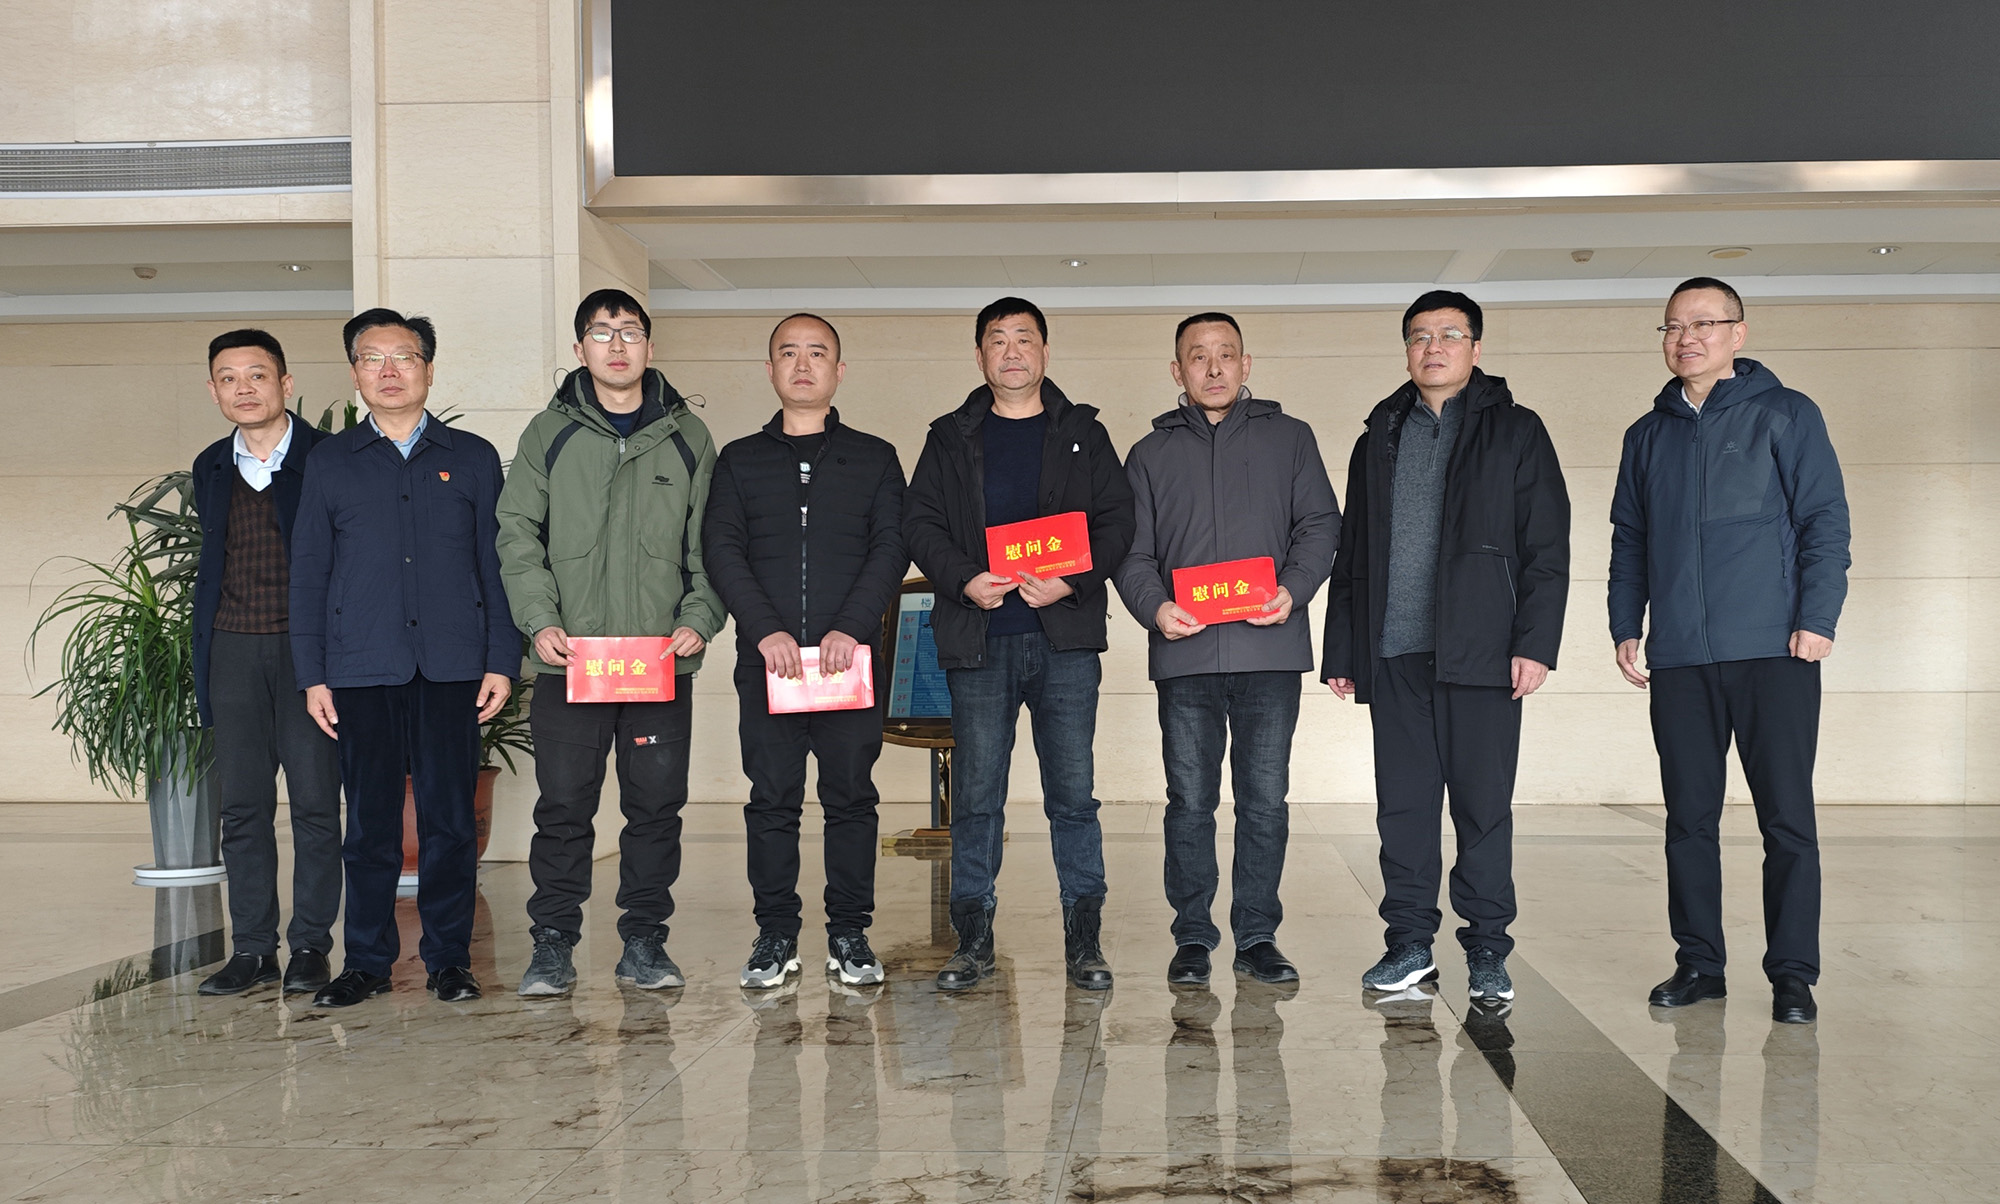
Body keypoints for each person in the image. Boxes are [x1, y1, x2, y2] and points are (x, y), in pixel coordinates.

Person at [1610, 277, 1850, 1025]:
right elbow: (1630, 539)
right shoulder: (1646, 435)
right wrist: (1625, 623)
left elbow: (1824, 520)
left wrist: (1818, 617)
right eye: (1674, 326)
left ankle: (1793, 975)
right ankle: (1699, 964)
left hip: (1775, 649)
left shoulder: (1787, 413)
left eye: (1704, 324)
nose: (1687, 338)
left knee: (1786, 818)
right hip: (1681, 655)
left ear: (1738, 334)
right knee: (1689, 818)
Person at [1322, 290, 1570, 1005]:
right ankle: (1409, 945)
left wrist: (1535, 644)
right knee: (1402, 808)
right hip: (1394, 654)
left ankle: (1488, 949)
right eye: (1420, 336)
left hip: (1483, 654)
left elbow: (1547, 546)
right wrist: (1344, 649)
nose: (1434, 348)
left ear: (1476, 348)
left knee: (1482, 810)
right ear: (1407, 350)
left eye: (1450, 335)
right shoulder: (1378, 435)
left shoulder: (1516, 430)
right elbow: (1353, 552)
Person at [495, 288, 725, 996]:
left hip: (659, 664)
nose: (617, 345)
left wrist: (699, 617)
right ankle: (552, 944)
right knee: (564, 806)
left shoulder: (689, 437)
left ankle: (645, 943)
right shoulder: (548, 434)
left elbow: (713, 543)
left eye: (629, 332)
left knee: (655, 808)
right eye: (601, 332)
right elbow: (517, 535)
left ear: (650, 347)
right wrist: (539, 620)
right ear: (579, 349)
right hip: (571, 663)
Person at [904, 297, 1136, 991]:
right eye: (998, 340)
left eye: (1024, 339)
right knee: (977, 798)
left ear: (1044, 352)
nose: (1011, 351)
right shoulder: (949, 437)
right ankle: (972, 941)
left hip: (1063, 642)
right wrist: (963, 579)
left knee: (1073, 796)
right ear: (980, 355)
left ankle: (1084, 941)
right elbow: (919, 524)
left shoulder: (1083, 433)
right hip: (980, 641)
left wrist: (1072, 581)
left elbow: (1118, 522)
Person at [290, 308, 519, 1007]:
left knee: (450, 822)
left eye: (405, 357)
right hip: (361, 667)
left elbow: (496, 564)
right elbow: (310, 572)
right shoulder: (329, 461)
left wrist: (501, 659)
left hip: (453, 666)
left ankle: (450, 960)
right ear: (355, 372)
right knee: (370, 826)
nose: (389, 371)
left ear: (429, 368)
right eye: (373, 358)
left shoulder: (472, 456)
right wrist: (312, 674)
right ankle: (366, 962)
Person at [1112, 313, 1338, 986]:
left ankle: (1258, 935)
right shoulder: (1148, 454)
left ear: (1246, 364)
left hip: (1269, 652)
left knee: (1264, 800)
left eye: (1226, 355)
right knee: (1189, 801)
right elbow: (1131, 551)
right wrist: (1155, 607)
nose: (1213, 368)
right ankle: (1192, 936)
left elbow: (1320, 525)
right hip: (1186, 657)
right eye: (1197, 357)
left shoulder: (1290, 439)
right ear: (1176, 370)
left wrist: (1294, 591)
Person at [702, 313, 907, 990]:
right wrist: (766, 630)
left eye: (817, 353)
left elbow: (891, 547)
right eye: (787, 353)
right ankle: (775, 934)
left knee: (851, 798)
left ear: (838, 371)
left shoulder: (875, 458)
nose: (802, 364)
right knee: (772, 799)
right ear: (769, 370)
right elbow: (721, 549)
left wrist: (852, 626)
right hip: (770, 664)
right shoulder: (739, 460)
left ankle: (849, 933)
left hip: (848, 665)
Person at [190, 329, 344, 997]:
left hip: (307, 654)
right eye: (228, 378)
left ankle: (309, 945)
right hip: (231, 648)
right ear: (214, 391)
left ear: (286, 384)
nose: (243, 388)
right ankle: (252, 950)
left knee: (315, 804)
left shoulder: (329, 457)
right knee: (243, 808)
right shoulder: (210, 465)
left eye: (257, 374)